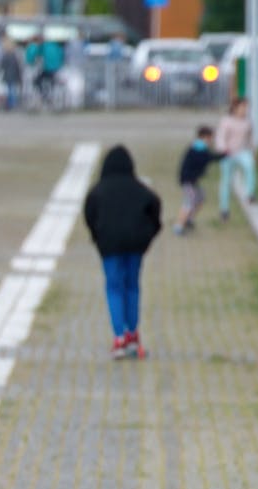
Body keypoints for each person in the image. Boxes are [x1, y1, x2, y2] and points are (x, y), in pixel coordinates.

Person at [83, 145, 162, 360]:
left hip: (109, 246)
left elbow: (89, 215)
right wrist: (148, 236)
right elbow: (155, 210)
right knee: (132, 286)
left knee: (114, 287)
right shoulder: (141, 190)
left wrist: (97, 236)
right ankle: (133, 335)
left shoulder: (98, 191)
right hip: (135, 245)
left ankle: (119, 337)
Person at [175, 125, 221, 235]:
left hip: (193, 180)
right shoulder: (198, 148)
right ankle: (178, 226)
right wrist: (225, 154)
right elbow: (209, 158)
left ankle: (189, 219)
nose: (212, 141)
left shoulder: (199, 147)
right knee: (189, 202)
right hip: (188, 180)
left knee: (200, 198)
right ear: (206, 137)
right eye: (211, 138)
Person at [216, 97, 256, 220]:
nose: (244, 110)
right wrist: (223, 149)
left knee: (249, 166)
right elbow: (221, 137)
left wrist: (253, 151)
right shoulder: (226, 121)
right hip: (228, 153)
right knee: (226, 181)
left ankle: (250, 193)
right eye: (242, 107)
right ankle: (224, 209)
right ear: (235, 108)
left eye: (246, 108)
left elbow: (249, 138)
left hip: (242, 151)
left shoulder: (247, 122)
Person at [0, 38, 23, 111]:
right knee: (12, 89)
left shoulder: (6, 56)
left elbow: (2, 65)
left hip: (8, 74)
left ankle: (11, 104)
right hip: (13, 74)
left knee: (10, 90)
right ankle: (12, 103)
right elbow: (17, 66)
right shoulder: (14, 56)